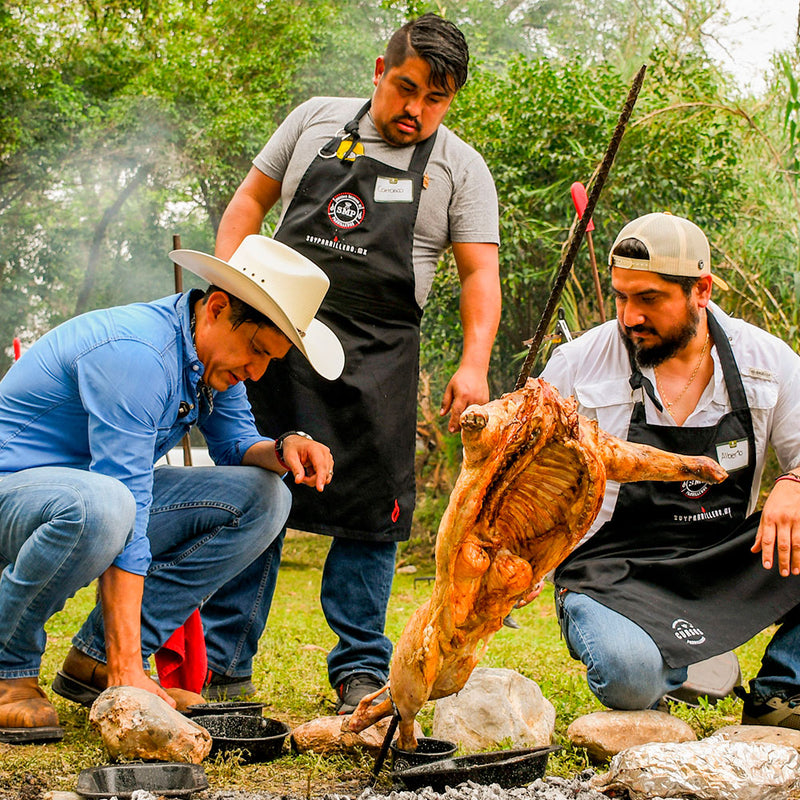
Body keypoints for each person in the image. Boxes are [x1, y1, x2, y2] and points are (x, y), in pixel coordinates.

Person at [206, 12, 501, 712]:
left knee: (372, 516)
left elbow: (480, 276)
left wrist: (474, 364)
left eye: (436, 100)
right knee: (260, 493)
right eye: (405, 89)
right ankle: (224, 666)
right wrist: (224, 284)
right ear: (379, 71)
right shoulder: (313, 121)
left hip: (380, 360)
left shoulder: (461, 168)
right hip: (275, 341)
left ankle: (360, 672)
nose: (415, 111)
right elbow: (250, 200)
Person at [0, 234, 341, 743]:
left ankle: (96, 662)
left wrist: (286, 445)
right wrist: (130, 676)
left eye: (270, 359)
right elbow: (127, 502)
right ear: (219, 308)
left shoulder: (209, 362)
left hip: (89, 501)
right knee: (109, 504)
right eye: (255, 350)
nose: (256, 370)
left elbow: (236, 444)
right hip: (17, 497)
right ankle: (10, 671)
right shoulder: (136, 354)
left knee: (266, 496)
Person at [541, 211, 800, 728]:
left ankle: (781, 691)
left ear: (700, 290)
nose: (629, 316)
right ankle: (665, 663)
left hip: (721, 558)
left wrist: (793, 483)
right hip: (609, 568)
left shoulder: (766, 361)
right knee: (630, 677)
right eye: (621, 297)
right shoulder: (577, 364)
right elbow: (521, 472)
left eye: (649, 299)